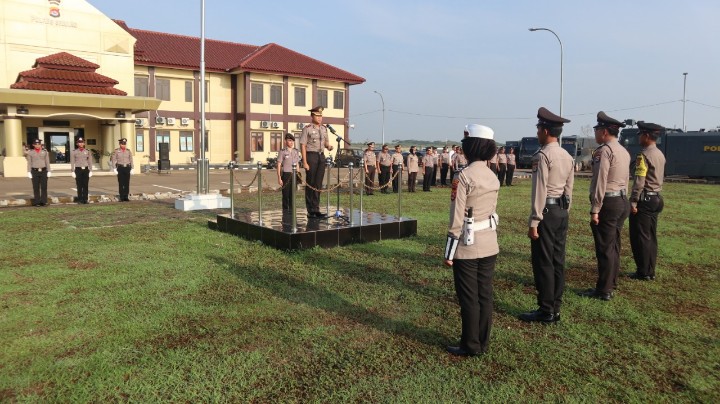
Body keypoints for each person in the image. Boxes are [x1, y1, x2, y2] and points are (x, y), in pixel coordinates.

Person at [444, 123, 500, 356]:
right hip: (489, 242)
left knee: (468, 298)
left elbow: (456, 217)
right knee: (484, 295)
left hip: (467, 245)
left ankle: (470, 345)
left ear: (471, 146)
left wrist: (449, 251)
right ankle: (482, 342)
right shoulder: (492, 175)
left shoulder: (463, 176)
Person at [520, 107, 574, 323]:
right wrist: (565, 210)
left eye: (538, 129)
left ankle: (546, 309)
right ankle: (555, 306)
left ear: (545, 130)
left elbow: (539, 191)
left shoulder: (542, 156)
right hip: (561, 211)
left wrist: (535, 220)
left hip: (546, 212)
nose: (537, 133)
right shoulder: (566, 155)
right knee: (558, 260)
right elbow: (569, 188)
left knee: (543, 262)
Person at [581, 111, 631, 301]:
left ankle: (604, 289)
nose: (595, 133)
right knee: (614, 245)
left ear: (603, 132)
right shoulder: (623, 151)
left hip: (608, 203)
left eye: (597, 130)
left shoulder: (604, 151)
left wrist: (595, 208)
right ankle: (611, 282)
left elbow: (600, 181)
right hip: (621, 200)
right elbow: (626, 179)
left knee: (605, 247)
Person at [628, 121, 666, 281]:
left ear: (647, 136)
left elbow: (639, 181)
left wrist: (634, 201)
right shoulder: (659, 154)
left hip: (645, 199)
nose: (639, 138)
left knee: (640, 236)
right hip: (656, 197)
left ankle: (643, 271)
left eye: (641, 134)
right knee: (651, 236)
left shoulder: (643, 156)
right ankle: (650, 270)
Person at [299, 106, 333, 218]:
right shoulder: (307, 129)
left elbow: (326, 142)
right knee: (311, 183)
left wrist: (329, 146)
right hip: (311, 156)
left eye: (321, 116)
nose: (319, 118)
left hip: (321, 156)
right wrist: (304, 162)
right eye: (317, 116)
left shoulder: (324, 129)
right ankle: (310, 210)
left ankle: (316, 208)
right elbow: (303, 145)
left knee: (318, 184)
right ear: (312, 116)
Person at [277, 133, 301, 211]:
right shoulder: (282, 151)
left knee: (293, 195)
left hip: (294, 175)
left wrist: (299, 175)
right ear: (285, 141)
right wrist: (279, 178)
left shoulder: (296, 151)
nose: (291, 142)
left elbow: (297, 164)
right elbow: (279, 165)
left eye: (292, 141)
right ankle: (285, 212)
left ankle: (292, 211)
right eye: (289, 140)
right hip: (286, 175)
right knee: (285, 195)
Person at [26, 138, 52, 206]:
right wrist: (28, 172)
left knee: (44, 187)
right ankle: (37, 202)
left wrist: (49, 170)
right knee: (36, 187)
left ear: (41, 145)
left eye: (39, 144)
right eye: (36, 144)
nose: (38, 145)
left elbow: (47, 162)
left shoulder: (45, 152)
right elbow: (29, 163)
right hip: (34, 171)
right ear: (33, 145)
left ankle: (44, 201)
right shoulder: (30, 152)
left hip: (43, 171)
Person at [70, 137, 93, 204]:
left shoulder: (87, 151)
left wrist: (91, 170)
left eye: (82, 142)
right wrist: (72, 171)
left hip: (85, 170)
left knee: (85, 185)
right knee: (79, 185)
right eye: (79, 142)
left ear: (84, 143)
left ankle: (85, 199)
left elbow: (90, 161)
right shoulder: (74, 152)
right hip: (78, 170)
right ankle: (80, 199)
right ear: (77, 143)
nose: (81, 143)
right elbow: (72, 161)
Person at [111, 138, 134, 202]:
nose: (123, 145)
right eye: (122, 144)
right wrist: (114, 168)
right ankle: (121, 197)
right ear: (119, 144)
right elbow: (113, 159)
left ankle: (126, 196)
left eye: (124, 144)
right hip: (120, 168)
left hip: (127, 168)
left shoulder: (128, 151)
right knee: (121, 183)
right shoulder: (116, 151)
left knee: (126, 183)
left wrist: (132, 168)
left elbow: (131, 160)